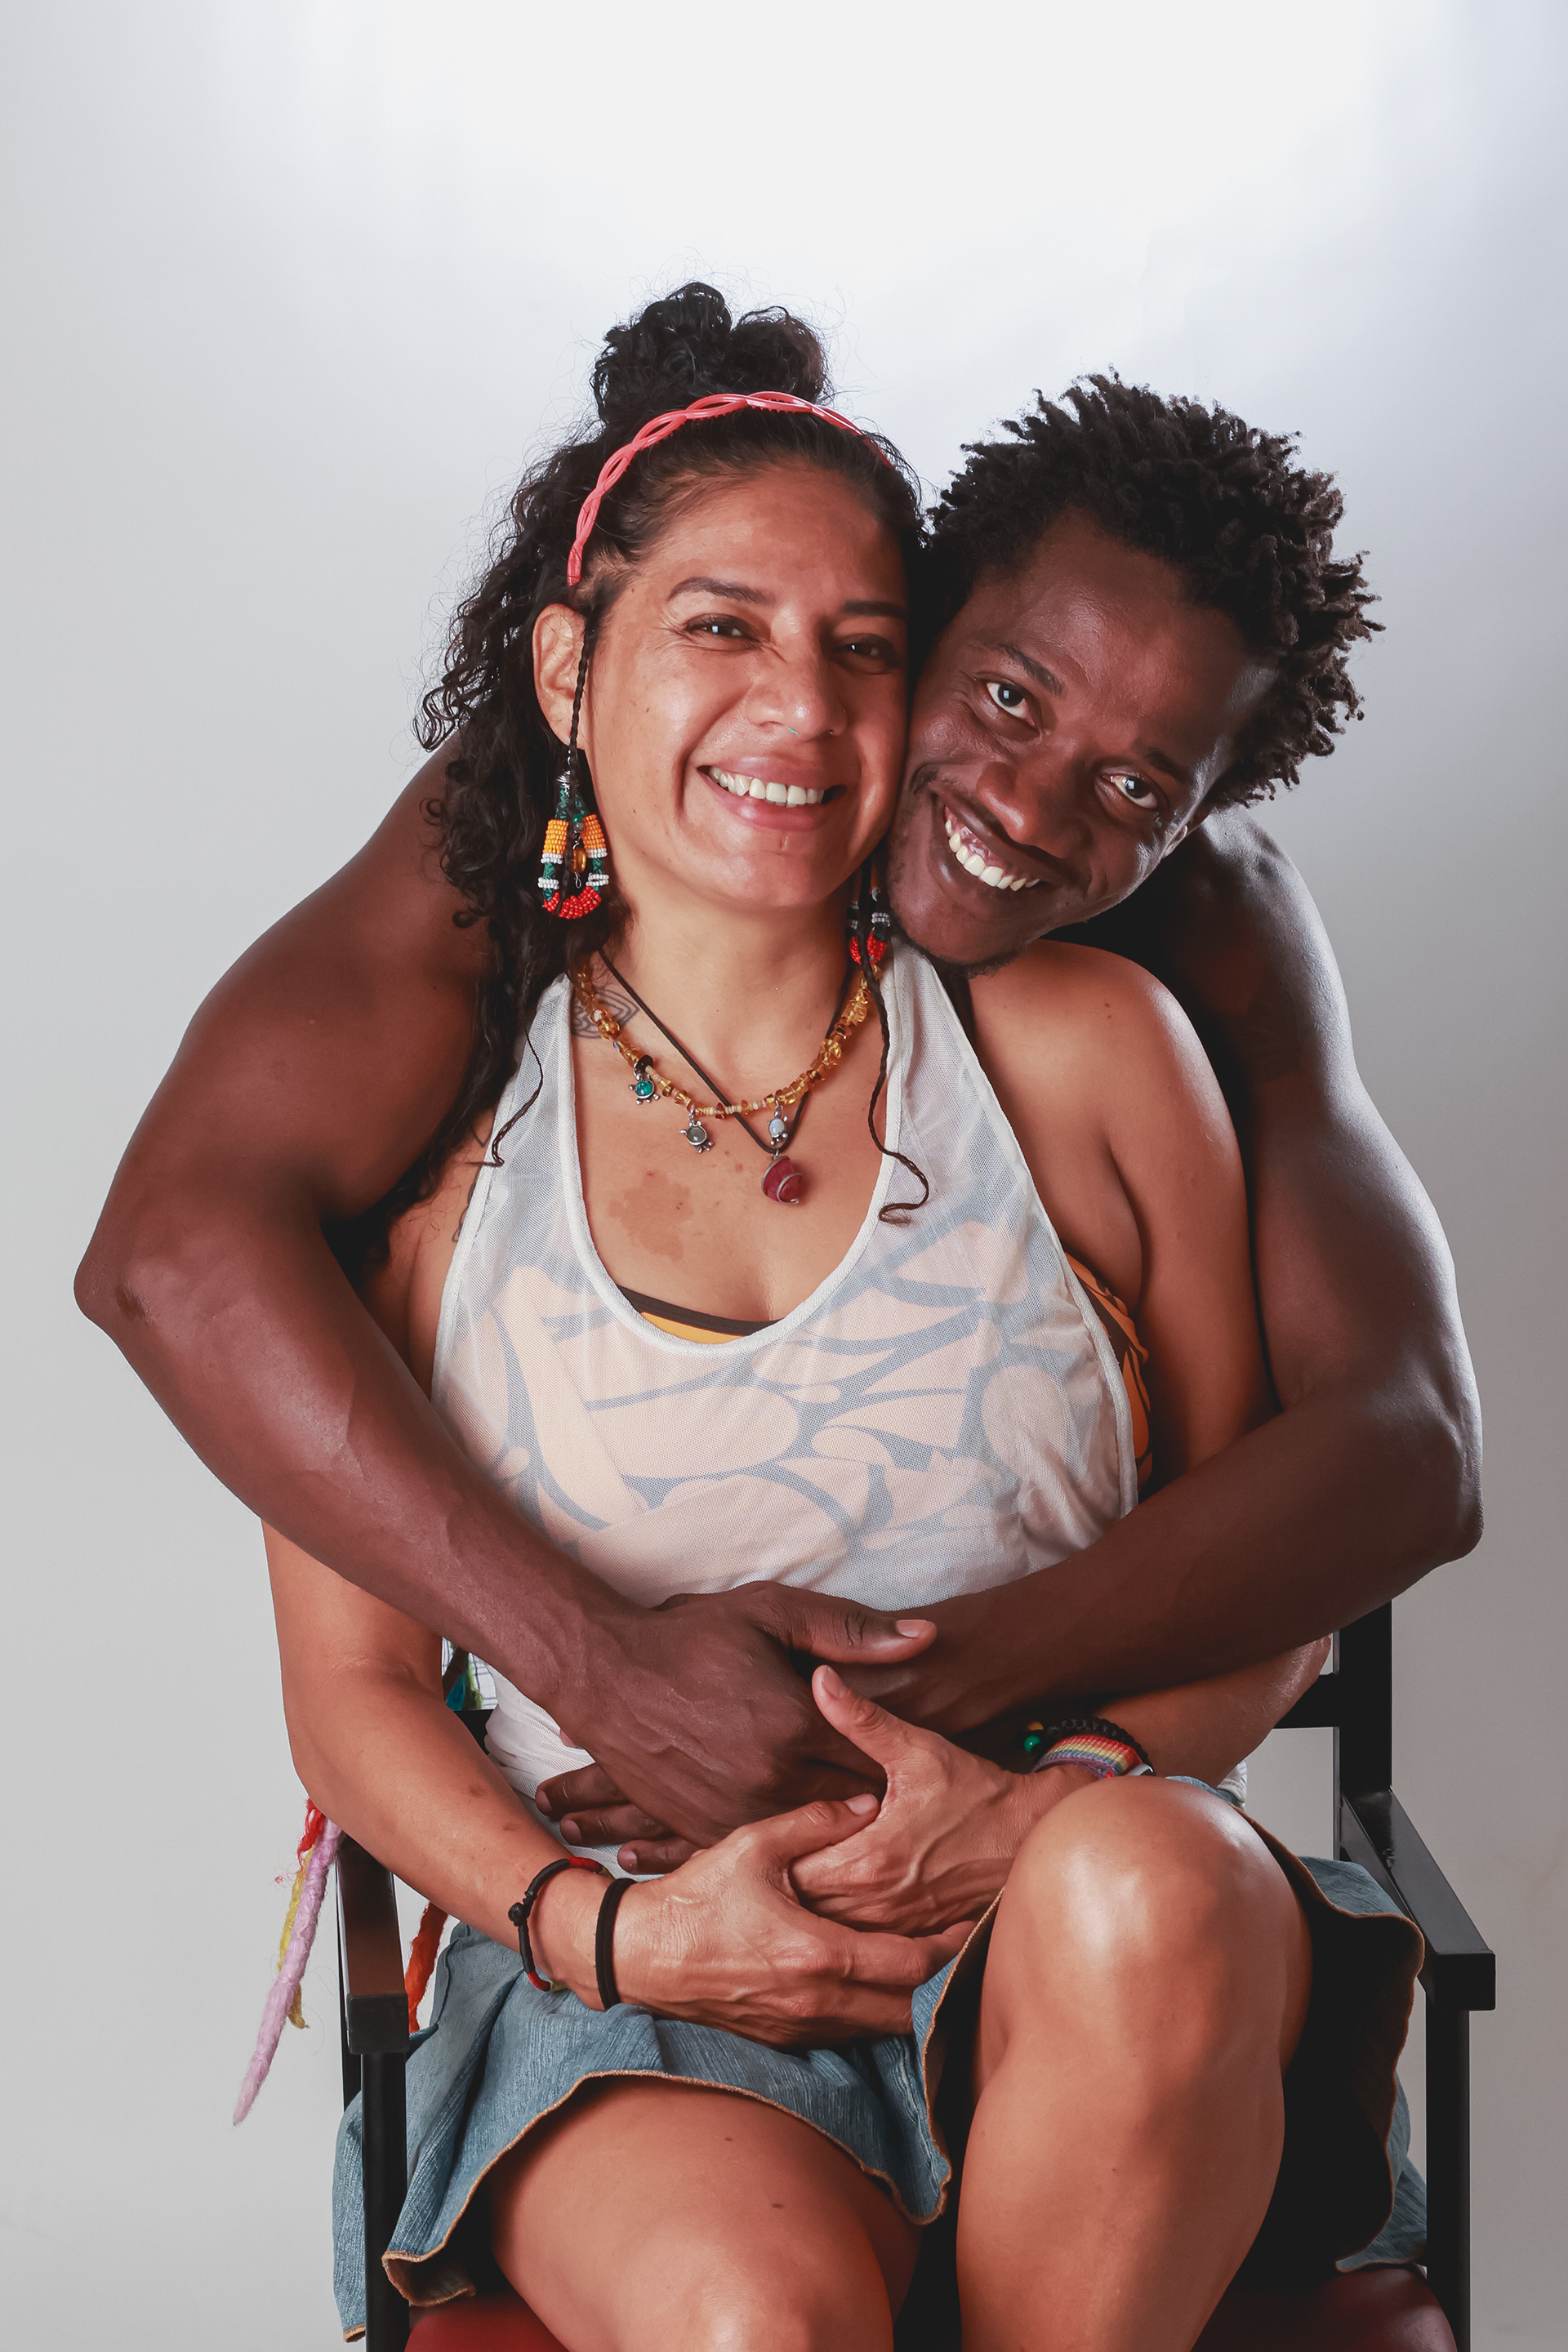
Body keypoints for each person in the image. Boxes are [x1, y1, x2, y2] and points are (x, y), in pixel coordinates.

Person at [259, 297, 1420, 2348]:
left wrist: (1042, 1791)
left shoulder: (1093, 1053)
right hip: (648, 1983)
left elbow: (1273, 1579)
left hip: (1090, 1934)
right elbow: (351, 1689)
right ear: (571, 670)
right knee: (754, 2322)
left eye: (859, 648)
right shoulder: (434, 1116)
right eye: (720, 629)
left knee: (1143, 1882)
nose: (794, 708)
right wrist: (613, 1934)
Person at [74, 287, 1481, 1851]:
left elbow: (1410, 1453)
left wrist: (912, 1703)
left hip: (1063, 1850)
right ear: (929, 624)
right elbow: (167, 1255)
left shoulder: (1200, 936)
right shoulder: (571, 782)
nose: (1025, 806)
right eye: (1006, 697)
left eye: (1137, 785)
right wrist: (603, 1672)